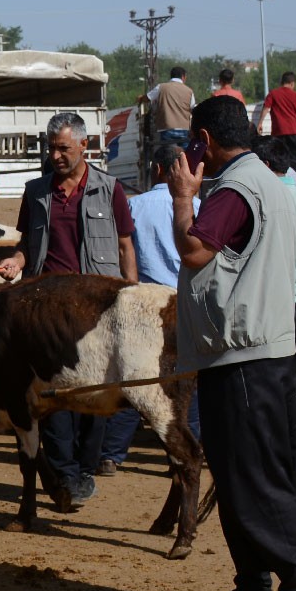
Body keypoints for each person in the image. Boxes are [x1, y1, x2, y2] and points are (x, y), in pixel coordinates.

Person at [169, 95, 296, 591]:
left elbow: (193, 251)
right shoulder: (274, 184)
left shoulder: (235, 187)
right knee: (243, 476)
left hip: (245, 356)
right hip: (260, 349)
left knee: (257, 479)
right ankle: (253, 587)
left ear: (205, 141)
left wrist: (184, 198)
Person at [0, 112, 137, 505]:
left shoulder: (111, 190)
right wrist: (16, 263)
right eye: (51, 148)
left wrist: (131, 295)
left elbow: (126, 246)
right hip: (49, 311)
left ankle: (85, 468)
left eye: (63, 148)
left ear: (83, 146)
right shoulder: (37, 192)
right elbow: (27, 245)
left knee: (95, 391)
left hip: (97, 310)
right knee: (54, 395)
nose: (56, 155)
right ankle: (67, 477)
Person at [99, 145, 199, 472]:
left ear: (156, 169)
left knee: (138, 380)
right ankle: (185, 451)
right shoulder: (198, 206)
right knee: (186, 383)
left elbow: (123, 251)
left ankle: (112, 454)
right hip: (185, 302)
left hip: (148, 305)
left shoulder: (134, 206)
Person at [259, 135, 296, 414]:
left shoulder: (265, 198)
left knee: (266, 377)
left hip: (272, 300)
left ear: (265, 165)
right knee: (293, 375)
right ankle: (292, 439)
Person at [140, 66, 196, 150]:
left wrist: (140, 98)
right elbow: (193, 109)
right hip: (184, 129)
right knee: (184, 156)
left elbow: (147, 98)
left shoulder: (161, 87)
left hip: (166, 128)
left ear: (171, 76)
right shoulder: (189, 91)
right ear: (183, 77)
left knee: (168, 156)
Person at [260, 71, 296, 138]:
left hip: (278, 132)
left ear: (282, 82)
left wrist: (260, 123)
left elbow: (265, 108)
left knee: (279, 149)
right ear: (292, 83)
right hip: (294, 132)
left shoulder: (273, 94)